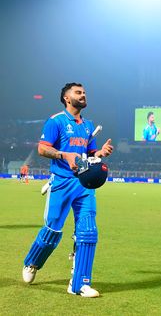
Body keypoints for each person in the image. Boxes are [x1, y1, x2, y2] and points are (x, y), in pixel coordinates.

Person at [22, 82, 113, 297]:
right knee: (52, 232)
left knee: (88, 231)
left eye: (84, 92)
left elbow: (90, 154)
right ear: (66, 98)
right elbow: (43, 148)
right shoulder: (56, 121)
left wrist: (100, 152)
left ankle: (79, 284)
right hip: (61, 182)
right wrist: (64, 155)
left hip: (83, 184)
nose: (83, 95)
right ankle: (32, 262)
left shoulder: (89, 125)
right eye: (78, 92)